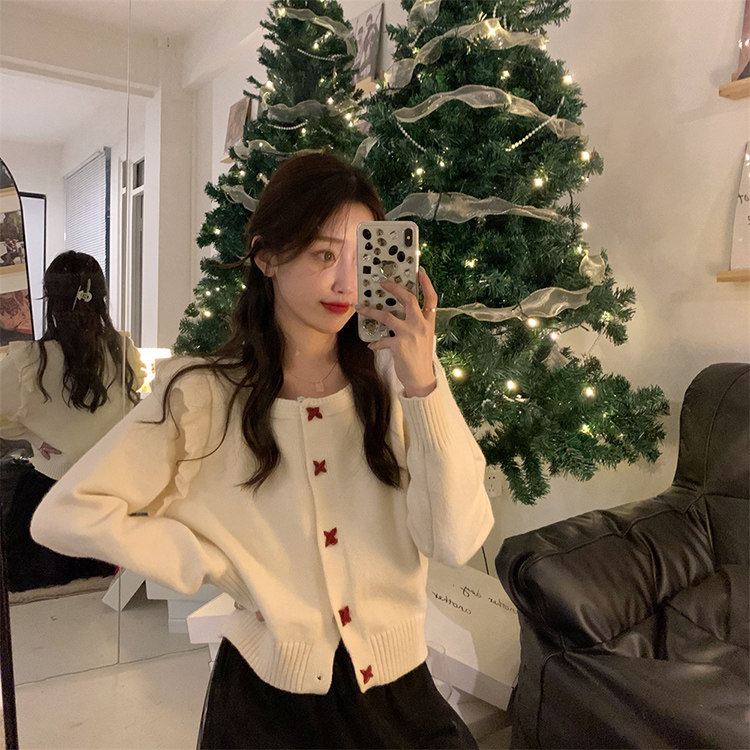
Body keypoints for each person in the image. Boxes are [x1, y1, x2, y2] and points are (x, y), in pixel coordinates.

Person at [30, 154, 494, 748]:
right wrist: (206, 559)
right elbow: (65, 514)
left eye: (359, 257)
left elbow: (454, 540)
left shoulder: (399, 382)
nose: (346, 284)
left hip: (400, 700)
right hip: (266, 707)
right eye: (323, 255)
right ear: (267, 256)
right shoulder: (202, 394)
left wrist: (424, 384)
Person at [0, 250, 145, 591]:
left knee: (45, 607)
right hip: (110, 500)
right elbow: (130, 414)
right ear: (102, 298)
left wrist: (34, 435)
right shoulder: (122, 352)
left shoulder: (29, 362)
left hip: (48, 497)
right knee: (100, 602)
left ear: (50, 299)